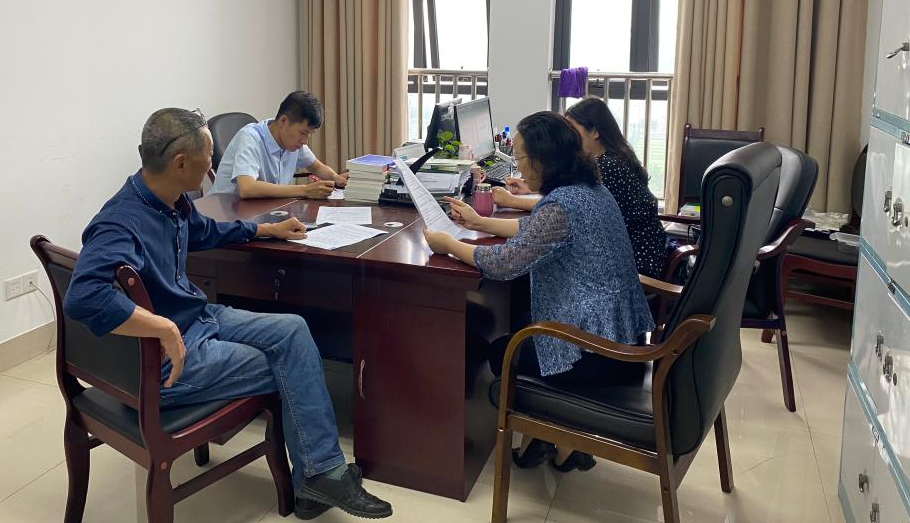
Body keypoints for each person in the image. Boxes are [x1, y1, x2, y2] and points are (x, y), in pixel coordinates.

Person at [64, 108, 392, 519]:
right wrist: (162, 327)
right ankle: (319, 476)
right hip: (165, 365)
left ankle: (317, 477)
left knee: (294, 331)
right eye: (208, 156)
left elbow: (204, 231)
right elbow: (84, 297)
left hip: (196, 319)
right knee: (290, 364)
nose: (212, 166)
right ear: (180, 162)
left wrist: (266, 230)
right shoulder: (121, 222)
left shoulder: (170, 201)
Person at [424, 111, 653, 473]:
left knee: (501, 350)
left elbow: (504, 263)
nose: (517, 165)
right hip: (621, 338)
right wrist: (480, 222)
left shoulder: (562, 205)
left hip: (598, 354)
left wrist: (449, 245)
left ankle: (557, 435)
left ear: (542, 160)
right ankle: (553, 441)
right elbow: (538, 230)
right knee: (520, 318)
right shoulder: (591, 190)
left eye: (520, 157)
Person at [494, 98, 672, 280]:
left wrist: (511, 201)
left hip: (636, 263)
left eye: (572, 129)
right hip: (636, 254)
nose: (567, 135)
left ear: (594, 131)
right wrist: (531, 187)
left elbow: (566, 208)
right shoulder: (613, 157)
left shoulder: (608, 167)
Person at [209, 91, 348, 199]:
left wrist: (336, 178)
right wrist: (305, 190)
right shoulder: (251, 138)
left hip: (261, 210)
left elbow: (316, 166)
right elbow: (247, 188)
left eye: (310, 134)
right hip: (227, 213)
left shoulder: (292, 141)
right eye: (303, 133)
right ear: (283, 121)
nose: (305, 141)